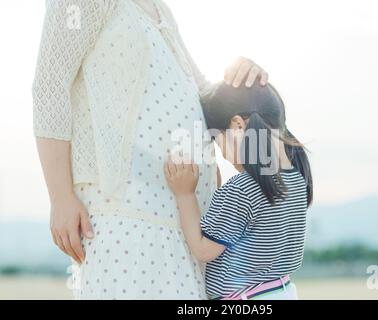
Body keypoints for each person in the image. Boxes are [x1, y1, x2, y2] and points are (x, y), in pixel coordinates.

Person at [32, 0, 269, 299]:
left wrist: (241, 80)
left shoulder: (160, 9)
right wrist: (60, 196)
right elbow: (50, 86)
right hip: (126, 217)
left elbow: (203, 95)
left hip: (188, 227)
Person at [164, 81, 313, 300]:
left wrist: (185, 194)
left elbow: (203, 249)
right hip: (284, 291)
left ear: (237, 126)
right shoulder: (297, 181)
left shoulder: (242, 189)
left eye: (217, 141)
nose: (221, 153)